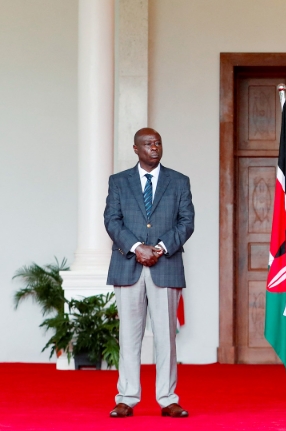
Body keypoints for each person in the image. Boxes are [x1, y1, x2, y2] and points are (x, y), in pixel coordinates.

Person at [104, 128, 195, 418]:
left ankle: (167, 398)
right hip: (127, 265)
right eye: (147, 144)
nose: (154, 147)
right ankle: (127, 397)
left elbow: (187, 222)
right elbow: (111, 220)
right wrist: (135, 247)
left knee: (165, 335)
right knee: (128, 335)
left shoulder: (179, 181)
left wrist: (159, 248)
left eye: (157, 143)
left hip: (165, 265)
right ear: (135, 149)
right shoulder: (118, 182)